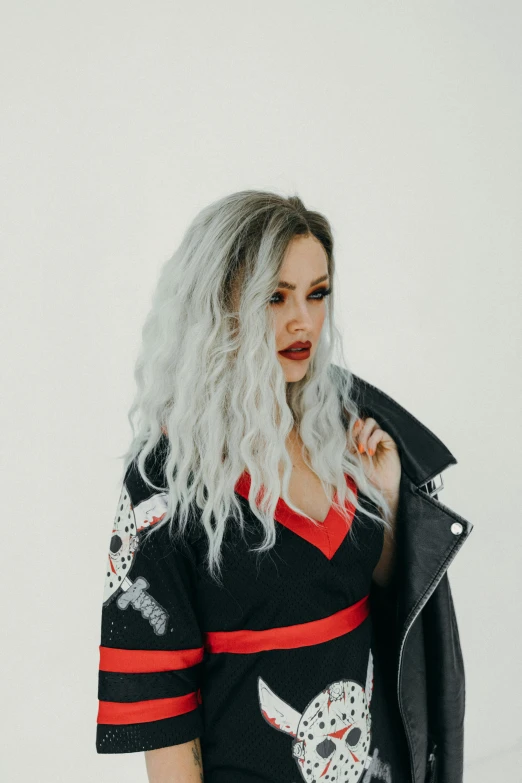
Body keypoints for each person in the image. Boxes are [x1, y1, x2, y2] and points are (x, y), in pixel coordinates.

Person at [95, 190, 470, 782]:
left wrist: (390, 501)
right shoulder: (166, 478)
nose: (304, 321)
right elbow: (160, 701)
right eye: (275, 297)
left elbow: (372, 597)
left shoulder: (338, 431)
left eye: (317, 293)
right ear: (219, 305)